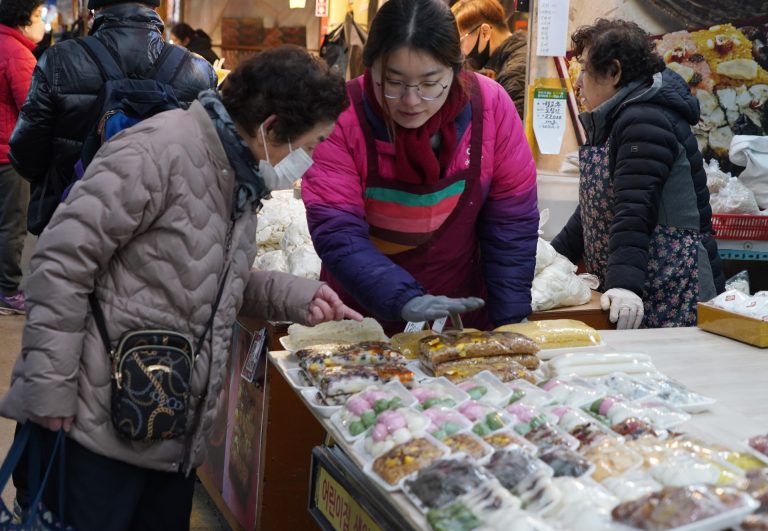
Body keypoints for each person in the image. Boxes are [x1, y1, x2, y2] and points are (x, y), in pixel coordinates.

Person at [0, 45, 357, 530]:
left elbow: (206, 275)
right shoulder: (157, 152)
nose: (311, 160)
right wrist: (50, 392)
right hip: (94, 426)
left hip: (164, 424)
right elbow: (61, 264)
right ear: (271, 128)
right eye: (312, 144)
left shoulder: (238, 176)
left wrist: (299, 296)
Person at [302, 0, 539, 333]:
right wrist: (402, 298)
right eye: (394, 82)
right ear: (370, 67)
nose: (411, 101)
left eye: (430, 84)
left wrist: (511, 321)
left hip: (460, 317)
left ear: (456, 70)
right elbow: (337, 230)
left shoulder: (491, 108)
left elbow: (511, 224)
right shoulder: (342, 114)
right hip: (361, 318)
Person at [551, 19, 724, 330]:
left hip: (671, 284)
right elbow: (599, 206)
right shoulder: (615, 117)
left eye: (586, 71)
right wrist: (552, 258)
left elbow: (634, 209)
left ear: (614, 72)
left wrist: (625, 285)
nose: (578, 84)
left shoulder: (643, 119)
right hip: (642, 277)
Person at [9, 0, 217, 238]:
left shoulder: (59, 60)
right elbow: (209, 157)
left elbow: (25, 151)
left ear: (94, 9)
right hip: (163, 230)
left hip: (74, 223)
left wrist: (59, 182)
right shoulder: (199, 70)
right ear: (155, 8)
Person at [0, 0, 45, 316]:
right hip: (6, 152)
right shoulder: (17, 54)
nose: (42, 22)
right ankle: (7, 290)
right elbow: (33, 110)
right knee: (12, 225)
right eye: (39, 16)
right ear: (23, 19)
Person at [451, 0, 528, 117]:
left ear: (485, 32)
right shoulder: (518, 54)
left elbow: (508, 130)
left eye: (460, 42)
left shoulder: (515, 73)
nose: (461, 52)